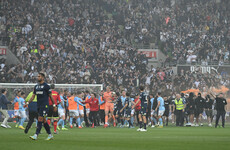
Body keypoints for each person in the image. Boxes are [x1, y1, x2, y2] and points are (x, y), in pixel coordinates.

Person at [25, 72, 56, 140]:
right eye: (37, 76)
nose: (37, 77)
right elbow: (33, 97)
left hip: (45, 106)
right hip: (38, 106)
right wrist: (27, 103)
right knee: (44, 121)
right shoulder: (36, 86)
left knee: (40, 119)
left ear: (43, 77)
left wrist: (54, 105)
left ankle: (36, 135)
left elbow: (51, 96)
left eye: (39, 76)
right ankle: (50, 135)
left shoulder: (46, 86)